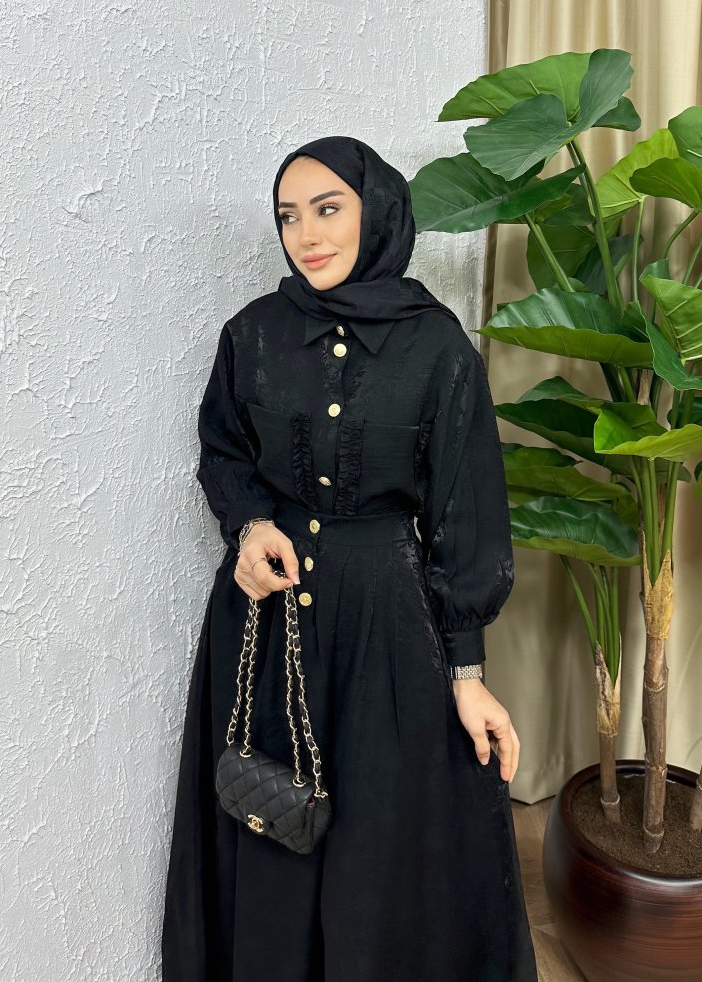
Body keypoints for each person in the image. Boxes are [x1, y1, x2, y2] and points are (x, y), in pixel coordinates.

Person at [161, 135, 538, 982]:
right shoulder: (252, 334)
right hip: (266, 620)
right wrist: (248, 527)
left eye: (328, 208)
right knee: (269, 815)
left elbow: (464, 513)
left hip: (385, 626)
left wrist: (467, 672)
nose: (306, 233)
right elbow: (224, 451)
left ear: (377, 213)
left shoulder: (438, 350)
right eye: (289, 215)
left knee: (384, 838)